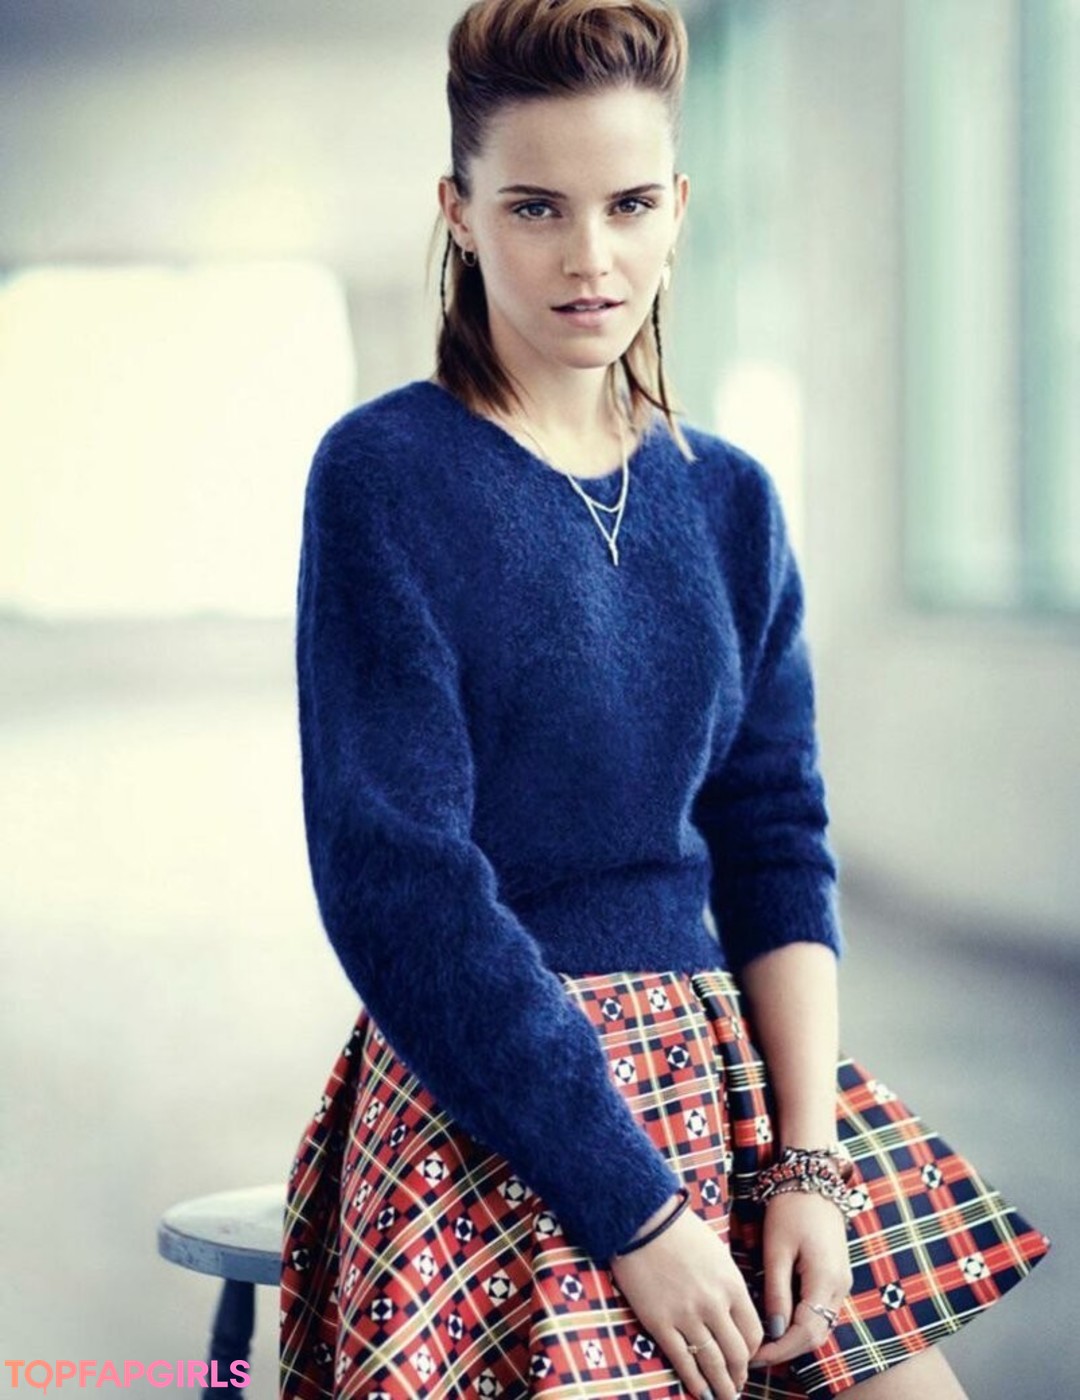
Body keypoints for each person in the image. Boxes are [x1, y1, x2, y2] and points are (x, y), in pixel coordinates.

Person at [278, 3, 1049, 1397]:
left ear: (679, 210)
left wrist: (807, 1163)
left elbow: (775, 840)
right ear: (459, 215)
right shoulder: (385, 475)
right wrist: (634, 1212)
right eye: (536, 208)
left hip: (729, 1085)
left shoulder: (728, 498)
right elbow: (398, 882)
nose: (592, 256)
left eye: (630, 205)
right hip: (496, 1094)